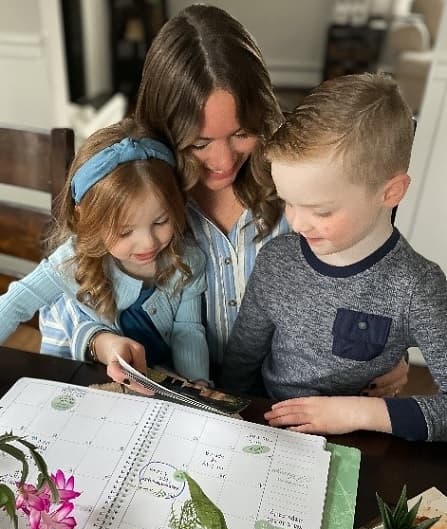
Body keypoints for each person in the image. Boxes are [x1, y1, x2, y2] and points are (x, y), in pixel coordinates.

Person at [39, 4, 407, 396]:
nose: (223, 160)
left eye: (241, 133)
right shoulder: (137, 194)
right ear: (165, 131)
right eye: (199, 143)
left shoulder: (300, 191)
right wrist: (98, 340)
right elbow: (60, 304)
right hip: (170, 400)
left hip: (284, 402)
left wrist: (383, 348)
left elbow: (365, 278)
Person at [222, 72, 447, 442]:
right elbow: (240, 364)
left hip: (357, 439)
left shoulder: (417, 287)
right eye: (287, 203)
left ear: (390, 193)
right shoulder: (277, 260)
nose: (296, 223)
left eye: (321, 211)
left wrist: (359, 412)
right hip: (266, 427)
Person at [0, 119, 209, 383]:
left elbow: (188, 331)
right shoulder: (71, 261)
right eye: (124, 231)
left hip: (150, 388)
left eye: (160, 222)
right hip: (79, 381)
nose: (148, 244)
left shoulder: (188, 260)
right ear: (88, 219)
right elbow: (16, 302)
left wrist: (198, 387)